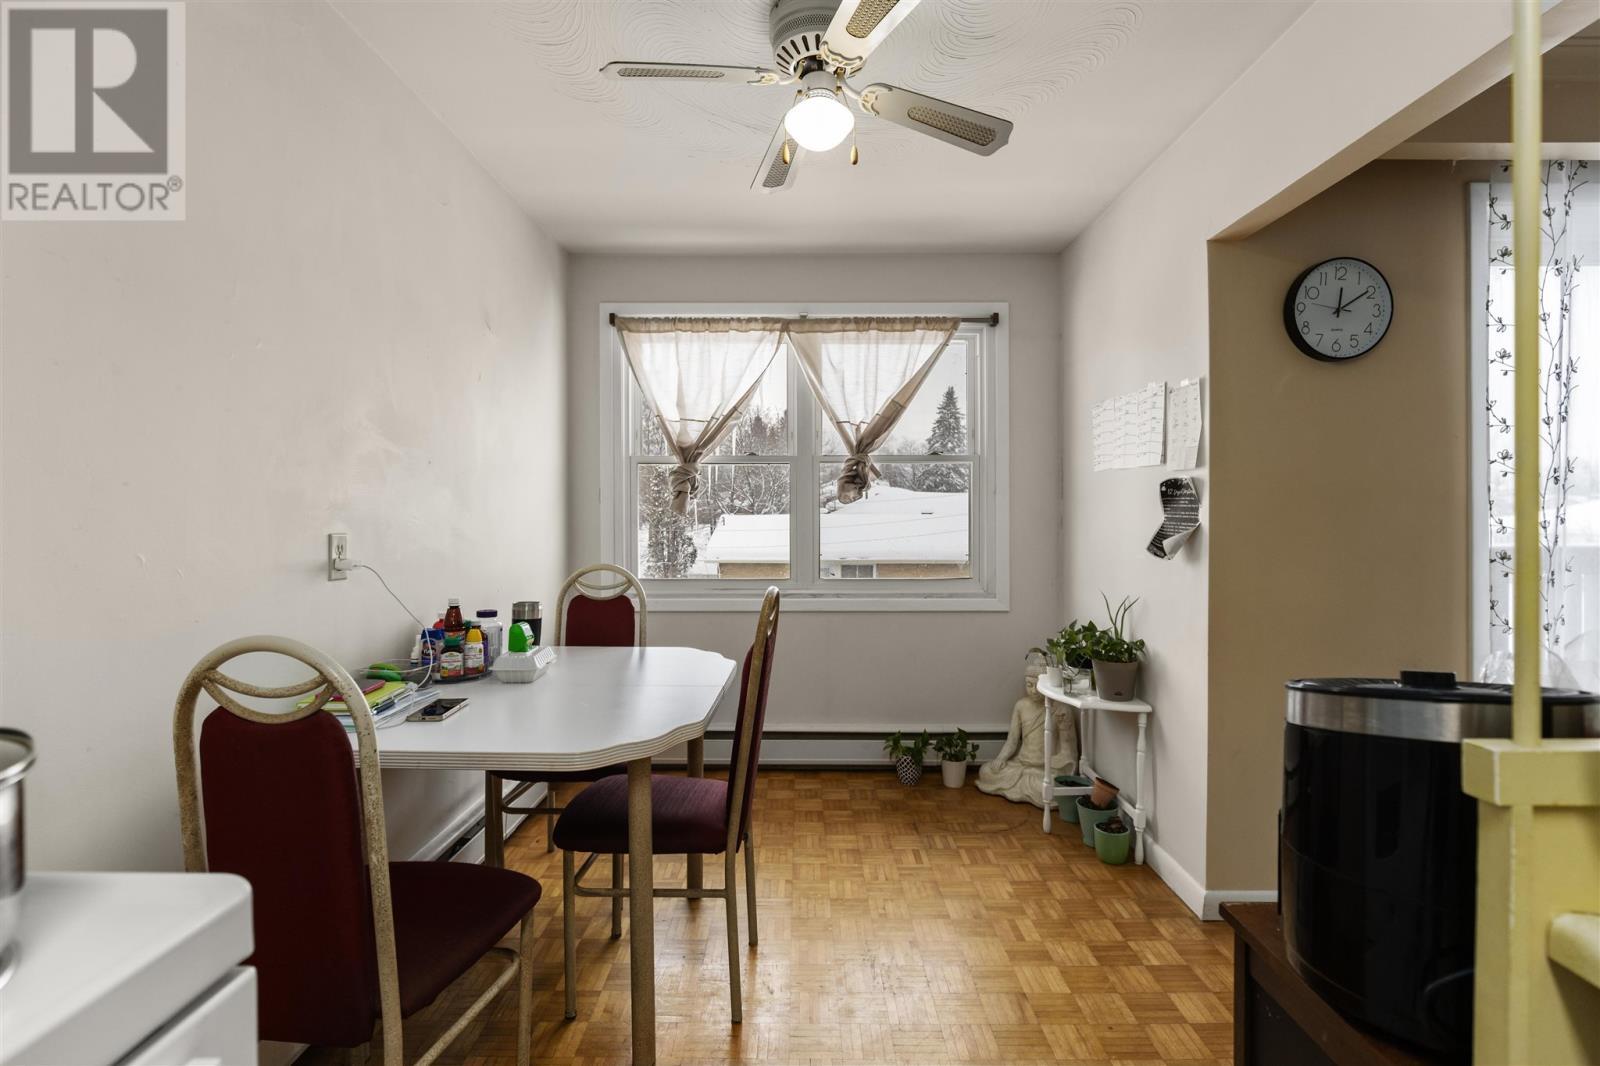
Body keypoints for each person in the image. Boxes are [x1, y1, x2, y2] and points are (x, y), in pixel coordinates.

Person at [977, 650, 1079, 806]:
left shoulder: (1060, 709)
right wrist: (1001, 759)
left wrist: (1053, 763)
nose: (1032, 690)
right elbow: (1012, 741)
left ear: (1046, 684)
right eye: (1029, 685)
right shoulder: (1021, 706)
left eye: (1037, 686)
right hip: (1021, 765)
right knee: (986, 771)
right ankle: (1026, 785)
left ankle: (1033, 787)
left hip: (1044, 770)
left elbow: (1067, 752)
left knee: (1047, 786)